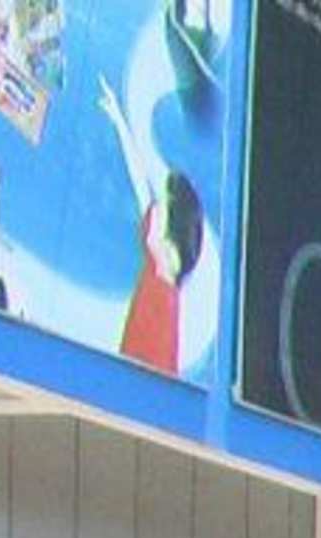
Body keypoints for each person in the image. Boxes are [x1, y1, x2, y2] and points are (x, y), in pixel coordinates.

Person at [98, 75, 206, 376]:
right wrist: (119, 120)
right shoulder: (159, 238)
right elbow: (139, 179)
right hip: (142, 311)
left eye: (163, 204)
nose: (156, 208)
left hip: (152, 324)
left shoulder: (165, 301)